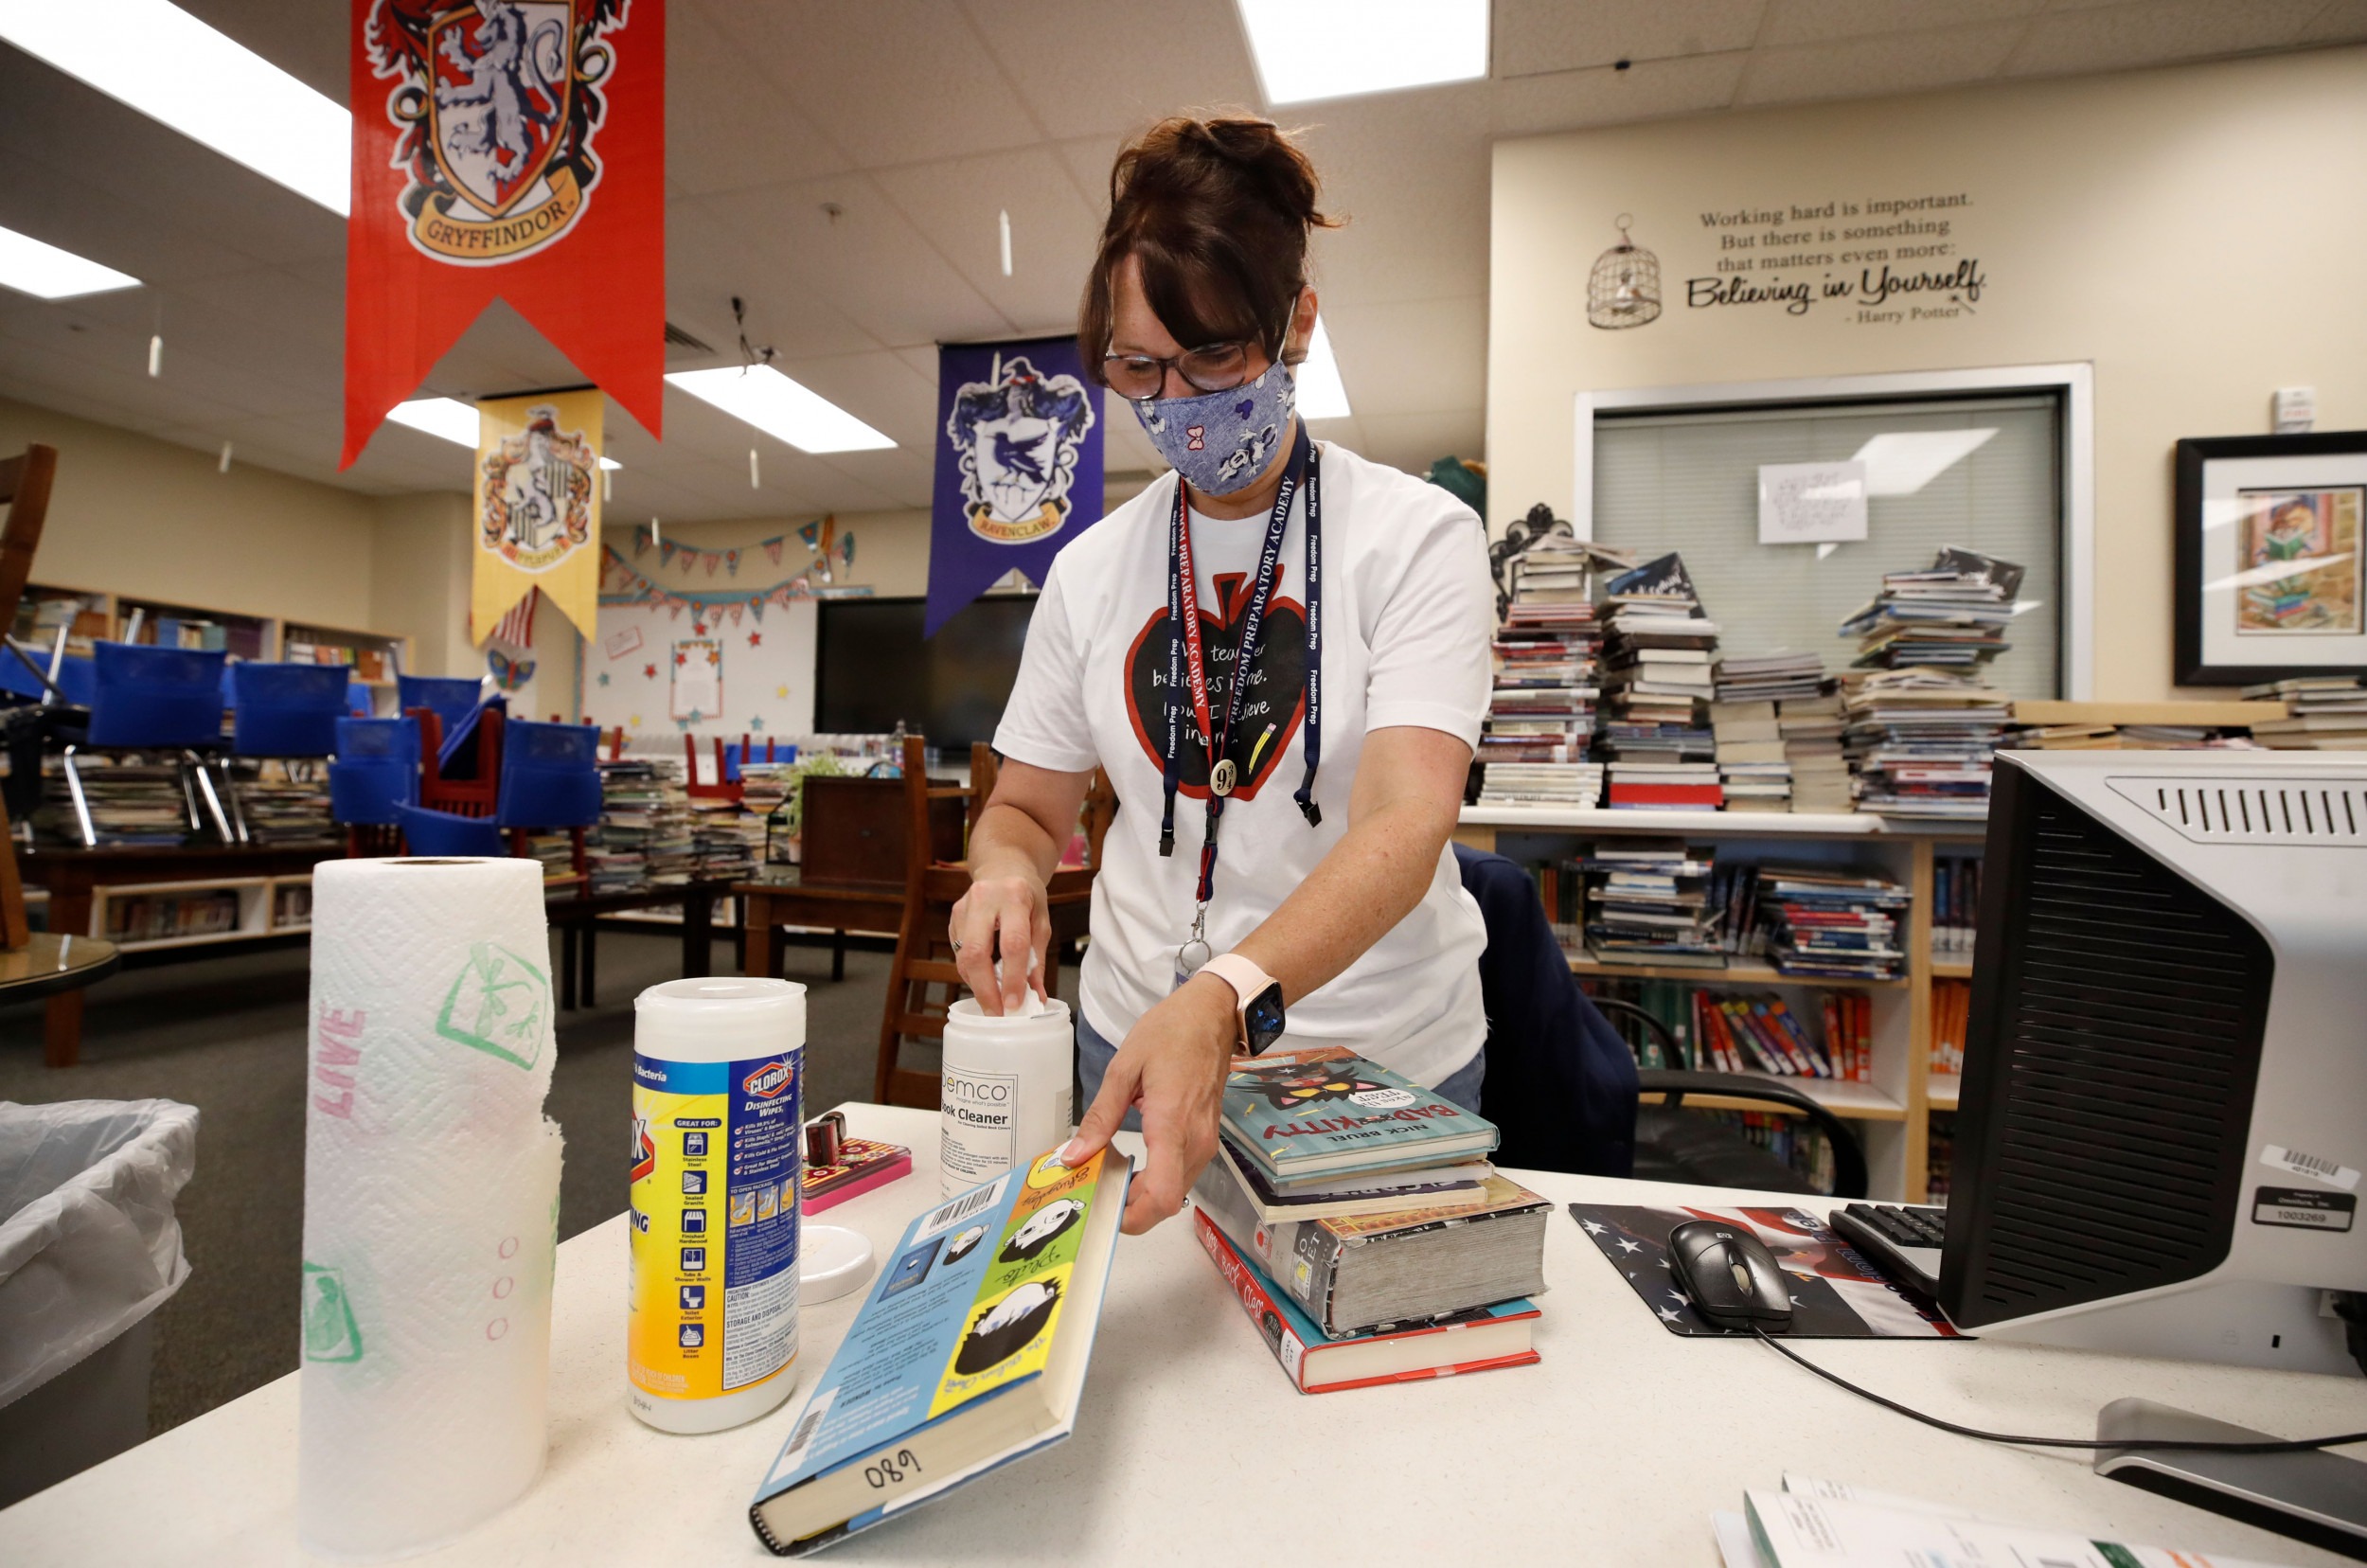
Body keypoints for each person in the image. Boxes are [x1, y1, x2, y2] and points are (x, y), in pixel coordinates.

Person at [952, 116, 1493, 1236]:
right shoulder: (1090, 568)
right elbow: (1024, 809)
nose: (1178, 403)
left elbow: (1406, 821)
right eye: (1138, 367)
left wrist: (1224, 996)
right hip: (1130, 1041)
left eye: (1212, 357)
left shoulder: (1416, 538)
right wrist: (1002, 872)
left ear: (1298, 322)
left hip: (1372, 1067)